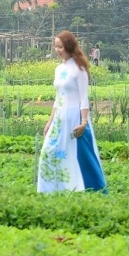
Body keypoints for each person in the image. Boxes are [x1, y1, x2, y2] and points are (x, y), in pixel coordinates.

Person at [37, 30, 107, 193]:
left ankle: (76, 188)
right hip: (60, 118)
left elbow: (84, 98)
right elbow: (58, 97)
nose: (57, 50)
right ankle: (50, 189)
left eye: (60, 47)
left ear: (69, 46)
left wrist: (83, 122)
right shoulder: (58, 69)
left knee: (73, 155)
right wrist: (50, 121)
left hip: (74, 118)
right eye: (55, 47)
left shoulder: (79, 69)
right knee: (49, 151)